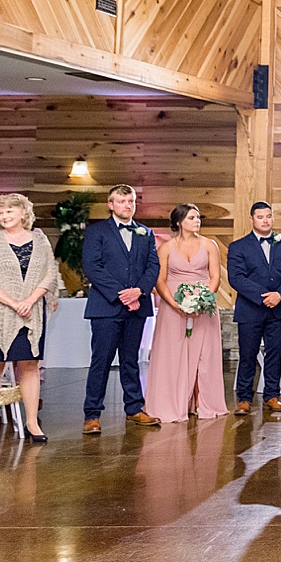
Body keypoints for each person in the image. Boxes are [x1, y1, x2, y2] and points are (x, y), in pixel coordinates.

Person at [0, 193, 59, 448]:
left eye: (10, 211)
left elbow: (49, 274)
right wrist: (12, 302)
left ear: (23, 213)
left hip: (31, 310)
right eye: (1, 213)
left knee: (29, 364)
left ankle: (32, 422)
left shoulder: (40, 240)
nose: (5, 216)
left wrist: (30, 300)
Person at [80, 184, 162, 434]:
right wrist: (121, 294)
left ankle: (135, 408)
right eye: (122, 201)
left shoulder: (145, 233)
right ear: (111, 204)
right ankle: (92, 415)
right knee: (101, 361)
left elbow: (153, 266)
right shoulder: (97, 232)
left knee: (131, 361)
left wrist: (139, 290)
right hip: (106, 307)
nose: (128, 205)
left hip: (137, 306)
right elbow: (92, 267)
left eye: (131, 201)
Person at [147, 203, 228, 424]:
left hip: (204, 306)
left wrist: (204, 300)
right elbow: (160, 280)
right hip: (174, 305)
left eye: (198, 217)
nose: (197, 221)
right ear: (179, 222)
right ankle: (174, 402)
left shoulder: (210, 245)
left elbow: (215, 277)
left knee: (204, 354)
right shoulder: (166, 247)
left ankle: (203, 401)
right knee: (174, 353)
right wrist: (173, 304)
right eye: (192, 218)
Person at [226, 201, 281, 415]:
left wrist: (280, 295)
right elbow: (236, 278)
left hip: (279, 307)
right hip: (251, 308)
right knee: (248, 354)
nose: (265, 220)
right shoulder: (238, 246)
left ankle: (272, 396)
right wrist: (263, 296)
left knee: (274, 353)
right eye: (260, 217)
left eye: (268, 216)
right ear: (251, 219)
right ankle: (244, 399)